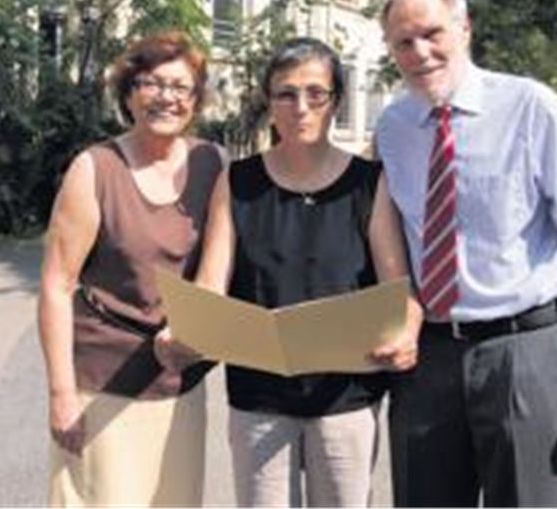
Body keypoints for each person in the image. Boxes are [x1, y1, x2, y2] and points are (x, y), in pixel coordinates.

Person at [375, 0, 557, 507]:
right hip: (427, 357)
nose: (419, 53)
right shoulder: (393, 127)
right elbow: (389, 236)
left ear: (464, 28)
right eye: (403, 42)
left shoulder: (531, 107)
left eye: (432, 33)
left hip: (519, 349)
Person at [161, 37, 421, 507]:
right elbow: (211, 285)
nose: (301, 107)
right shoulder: (237, 181)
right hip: (258, 397)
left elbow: (398, 289)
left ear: (336, 102)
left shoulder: (369, 183)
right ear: (269, 102)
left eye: (315, 93)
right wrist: (185, 329)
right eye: (286, 93)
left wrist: (408, 331)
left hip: (345, 396)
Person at [38, 30, 225, 507]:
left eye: (180, 87)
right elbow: (57, 285)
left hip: (178, 385)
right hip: (102, 384)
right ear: (128, 93)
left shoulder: (213, 163)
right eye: (151, 83)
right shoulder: (95, 169)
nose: (166, 97)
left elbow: (219, 270)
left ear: (196, 99)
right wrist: (61, 394)